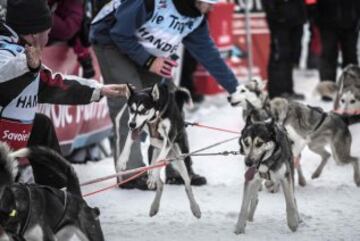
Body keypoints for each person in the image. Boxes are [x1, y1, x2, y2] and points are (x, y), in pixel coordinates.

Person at [90, 0, 239, 189]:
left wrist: (237, 90)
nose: (213, 7)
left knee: (170, 104)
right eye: (210, 2)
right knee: (130, 105)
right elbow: (119, 33)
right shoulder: (149, 3)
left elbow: (209, 56)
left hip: (146, 50)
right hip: (111, 42)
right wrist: (149, 61)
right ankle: (131, 174)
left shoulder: (196, 18)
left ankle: (177, 168)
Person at [0, 0, 127, 186]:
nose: (50, 36)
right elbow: (3, 74)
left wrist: (98, 90)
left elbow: (55, 85)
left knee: (41, 126)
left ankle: (59, 197)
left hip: (6, 138)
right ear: (35, 34)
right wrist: (26, 66)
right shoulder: (6, 50)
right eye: (48, 31)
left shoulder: (21, 51)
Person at [315, 0, 360, 101]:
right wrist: (314, 15)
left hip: (351, 20)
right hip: (327, 20)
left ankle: (351, 90)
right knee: (328, 56)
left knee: (350, 56)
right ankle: (327, 91)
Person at [262, 0, 306, 100]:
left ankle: (288, 89)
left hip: (297, 16)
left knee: (292, 55)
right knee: (280, 54)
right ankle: (276, 92)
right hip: (279, 19)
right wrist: (275, 12)